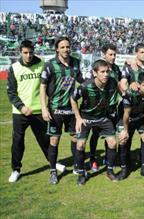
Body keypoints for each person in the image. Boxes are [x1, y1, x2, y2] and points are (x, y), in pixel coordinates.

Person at [6, 40, 63, 182]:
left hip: (39, 110)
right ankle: (16, 169)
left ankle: (53, 164)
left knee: (45, 140)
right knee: (18, 141)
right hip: (21, 113)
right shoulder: (14, 67)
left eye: (31, 52)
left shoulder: (42, 64)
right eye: (25, 52)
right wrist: (22, 107)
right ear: (20, 52)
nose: (28, 55)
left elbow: (48, 85)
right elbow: (11, 92)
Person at [40, 36, 84, 184]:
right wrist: (44, 108)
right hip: (55, 109)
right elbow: (42, 87)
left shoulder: (76, 62)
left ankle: (77, 167)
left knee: (76, 139)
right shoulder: (50, 65)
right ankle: (53, 171)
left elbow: (80, 80)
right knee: (54, 140)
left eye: (68, 46)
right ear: (57, 49)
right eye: (63, 47)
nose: (66, 49)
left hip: (72, 108)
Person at [71, 60, 119, 185]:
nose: (106, 75)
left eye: (107, 71)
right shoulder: (86, 86)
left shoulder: (113, 83)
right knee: (80, 145)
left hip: (103, 118)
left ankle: (109, 171)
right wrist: (78, 118)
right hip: (86, 118)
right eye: (102, 72)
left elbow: (120, 93)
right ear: (94, 73)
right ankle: (81, 174)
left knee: (113, 143)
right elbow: (73, 99)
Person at [116, 73, 144, 180]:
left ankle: (143, 168)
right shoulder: (129, 94)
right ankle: (124, 169)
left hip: (140, 118)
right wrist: (125, 130)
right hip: (125, 118)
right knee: (123, 139)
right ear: (138, 85)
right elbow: (126, 114)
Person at [89, 43, 121, 172]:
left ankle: (108, 159)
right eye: (110, 54)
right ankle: (92, 158)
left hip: (112, 109)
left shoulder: (117, 69)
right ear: (104, 55)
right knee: (95, 135)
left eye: (114, 54)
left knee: (111, 134)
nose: (113, 57)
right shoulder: (98, 68)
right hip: (98, 109)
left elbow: (119, 86)